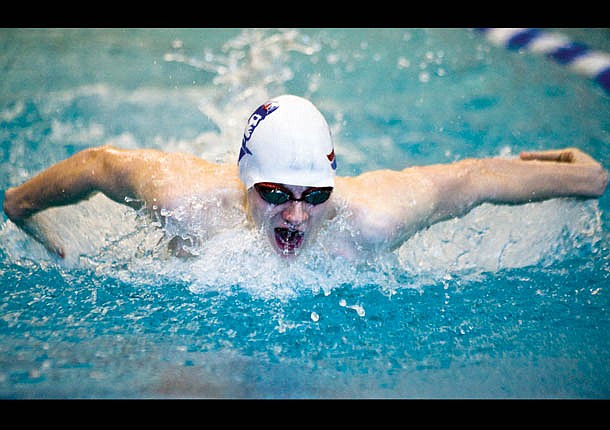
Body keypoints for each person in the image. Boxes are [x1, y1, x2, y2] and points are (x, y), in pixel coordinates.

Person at [2, 94, 608, 260]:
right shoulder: (186, 199)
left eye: (314, 197)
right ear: (245, 184)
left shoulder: (373, 216)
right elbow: (100, 164)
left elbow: (472, 178)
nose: (296, 215)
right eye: (275, 194)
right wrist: (18, 207)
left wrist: (584, 177)